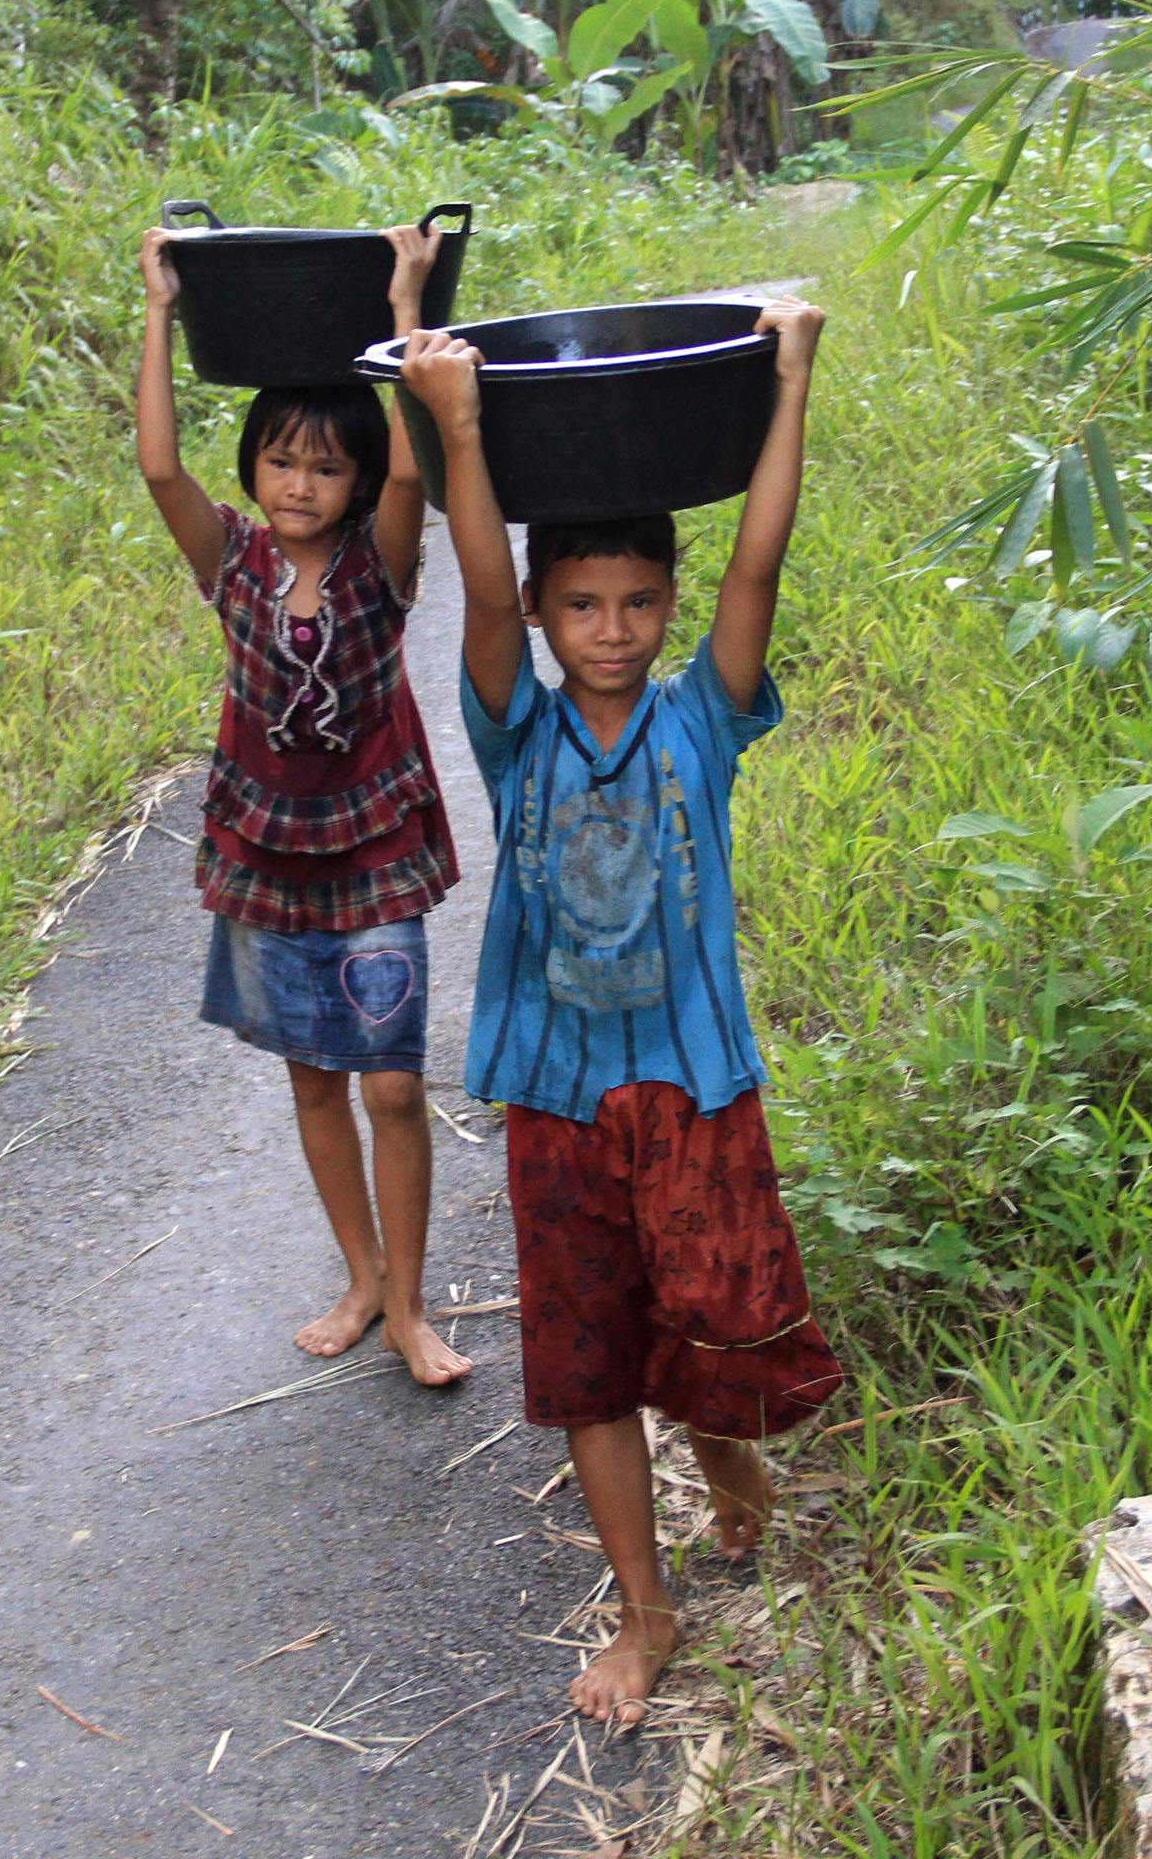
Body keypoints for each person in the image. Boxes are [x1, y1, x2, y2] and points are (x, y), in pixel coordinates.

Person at [400, 301, 848, 1728]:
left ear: (666, 604)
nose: (612, 630)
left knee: (715, 1332)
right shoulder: (513, 725)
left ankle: (726, 1458)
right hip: (556, 1095)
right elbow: (472, 589)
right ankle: (644, 1619)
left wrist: (789, 381)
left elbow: (759, 562)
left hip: (693, 1084)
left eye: (638, 603)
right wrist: (462, 429)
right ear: (545, 618)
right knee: (590, 1357)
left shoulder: (702, 718)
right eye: (581, 606)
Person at [136, 222, 472, 1389]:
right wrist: (162, 308)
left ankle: (411, 1306)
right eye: (281, 460)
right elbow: (158, 469)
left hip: (372, 838)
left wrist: (402, 293)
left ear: (358, 483)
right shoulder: (228, 561)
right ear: (255, 467)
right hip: (267, 847)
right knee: (312, 1074)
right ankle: (362, 1272)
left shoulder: (385, 566)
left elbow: (417, 470)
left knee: (393, 1081)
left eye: (326, 467)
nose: (299, 484)